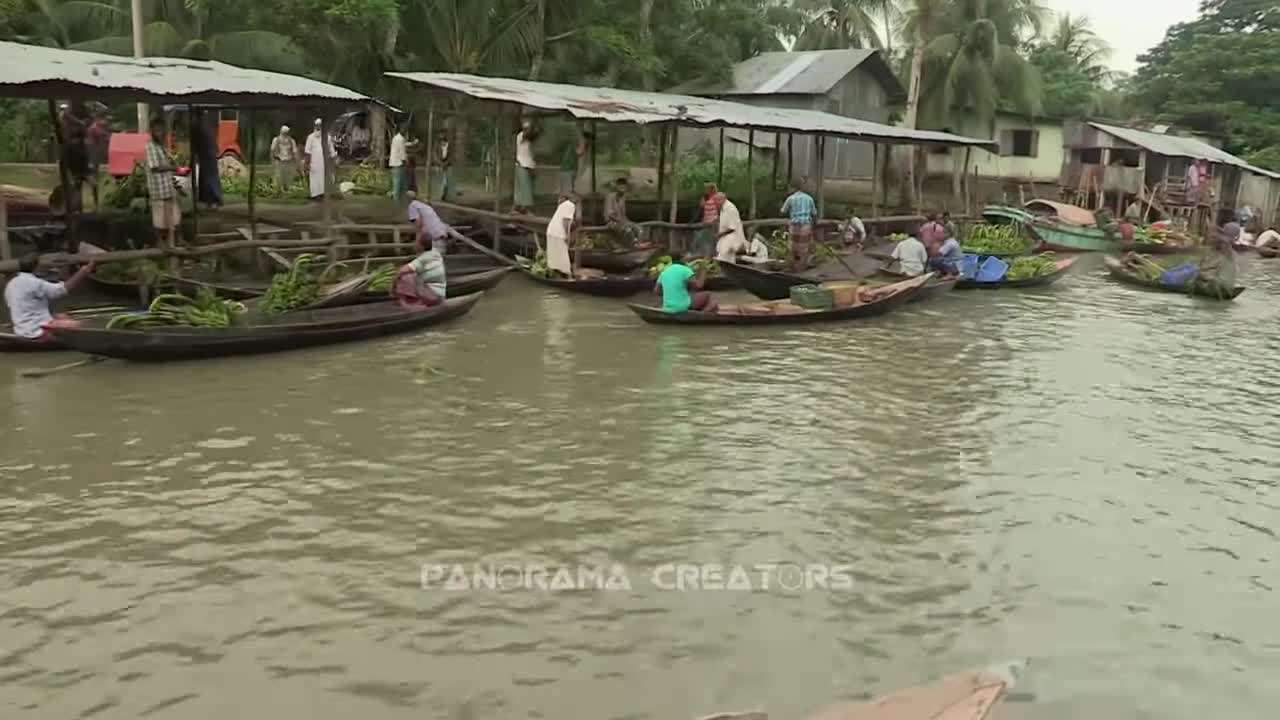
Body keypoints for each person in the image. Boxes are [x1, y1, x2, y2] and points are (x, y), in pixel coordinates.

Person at [4, 253, 97, 340]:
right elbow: (61, 290)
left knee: (62, 316)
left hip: (20, 329)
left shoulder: (11, 284)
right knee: (78, 325)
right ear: (36, 267)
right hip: (36, 331)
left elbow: (17, 306)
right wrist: (82, 272)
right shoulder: (34, 283)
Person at [145, 117, 183, 249]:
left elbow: (166, 164)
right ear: (152, 131)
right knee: (159, 216)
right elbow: (155, 167)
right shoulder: (150, 146)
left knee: (173, 214)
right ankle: (162, 242)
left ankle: (173, 241)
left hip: (166, 186)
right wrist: (173, 167)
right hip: (158, 187)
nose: (160, 133)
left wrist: (174, 167)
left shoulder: (161, 146)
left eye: (161, 130)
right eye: (157, 130)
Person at [391, 235, 447, 309]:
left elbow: (401, 271)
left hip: (432, 295)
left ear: (421, 246)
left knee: (406, 276)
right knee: (416, 275)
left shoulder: (423, 259)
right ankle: (416, 300)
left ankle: (407, 303)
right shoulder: (435, 252)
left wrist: (392, 286)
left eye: (416, 243)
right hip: (440, 295)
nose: (414, 244)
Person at [780, 181, 817, 271]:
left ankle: (794, 267)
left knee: (793, 247)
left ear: (794, 188)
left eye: (790, 187)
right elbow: (814, 213)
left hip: (795, 225)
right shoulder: (809, 198)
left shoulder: (790, 198)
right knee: (804, 247)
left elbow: (783, 211)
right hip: (806, 226)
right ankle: (802, 267)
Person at [406, 191, 454, 255]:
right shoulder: (425, 206)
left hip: (433, 239)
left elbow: (419, 223)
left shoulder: (413, 206)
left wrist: (417, 241)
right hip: (441, 235)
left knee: (428, 259)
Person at [192, 110, 222, 209]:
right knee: (208, 178)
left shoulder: (199, 126)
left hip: (207, 156)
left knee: (209, 178)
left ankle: (214, 200)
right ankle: (211, 201)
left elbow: (195, 144)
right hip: (207, 155)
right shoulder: (206, 124)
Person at [544, 193, 577, 278]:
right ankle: (568, 276)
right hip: (558, 232)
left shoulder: (563, 205)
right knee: (563, 255)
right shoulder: (571, 205)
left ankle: (554, 274)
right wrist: (567, 235)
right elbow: (565, 221)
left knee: (554, 256)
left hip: (551, 231)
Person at [1200, 221, 1240, 290]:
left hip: (1218, 282)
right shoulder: (1230, 252)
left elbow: (1205, 269)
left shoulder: (1227, 251)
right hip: (1221, 282)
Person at [304, 118, 335, 201]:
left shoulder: (327, 137)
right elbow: (307, 152)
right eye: (317, 126)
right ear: (314, 126)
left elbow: (331, 151)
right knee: (315, 180)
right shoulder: (310, 137)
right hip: (314, 163)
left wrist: (332, 162)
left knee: (325, 178)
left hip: (325, 163)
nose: (318, 128)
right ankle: (315, 196)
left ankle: (324, 194)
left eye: (320, 126)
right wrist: (307, 164)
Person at [85, 111, 110, 209]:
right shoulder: (95, 129)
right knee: (93, 177)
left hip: (94, 155)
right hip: (92, 155)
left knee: (94, 177)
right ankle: (95, 202)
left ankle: (96, 202)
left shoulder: (95, 129)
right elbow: (104, 136)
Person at [605, 178, 640, 245]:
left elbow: (623, 214)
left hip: (621, 221)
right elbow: (610, 214)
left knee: (638, 228)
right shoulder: (610, 197)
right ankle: (628, 245)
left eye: (624, 187)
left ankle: (635, 244)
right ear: (617, 187)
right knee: (628, 230)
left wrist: (629, 222)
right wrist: (622, 222)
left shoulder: (623, 197)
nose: (622, 188)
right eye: (620, 187)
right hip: (611, 222)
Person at [713, 193, 746, 262]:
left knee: (723, 257)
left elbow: (732, 227)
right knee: (727, 258)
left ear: (721, 200)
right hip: (726, 238)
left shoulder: (730, 208)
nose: (715, 203)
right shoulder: (723, 208)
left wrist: (720, 234)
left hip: (731, 237)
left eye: (716, 201)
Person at [513, 121, 538, 213]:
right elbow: (527, 134)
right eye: (527, 129)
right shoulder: (520, 136)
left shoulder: (528, 140)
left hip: (527, 164)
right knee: (524, 187)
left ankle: (522, 208)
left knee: (527, 187)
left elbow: (535, 134)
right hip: (522, 164)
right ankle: (522, 208)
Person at [431, 129, 453, 202]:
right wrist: (440, 163)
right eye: (441, 141)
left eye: (443, 140)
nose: (442, 142)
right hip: (439, 164)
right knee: (439, 181)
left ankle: (444, 195)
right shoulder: (437, 145)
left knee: (446, 181)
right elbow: (435, 155)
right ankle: (440, 196)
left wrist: (445, 163)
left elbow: (451, 156)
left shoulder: (449, 146)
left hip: (447, 165)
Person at [389, 128, 408, 200]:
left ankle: (399, 200)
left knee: (399, 184)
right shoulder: (401, 139)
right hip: (399, 164)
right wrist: (405, 162)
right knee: (398, 185)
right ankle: (396, 201)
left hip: (394, 163)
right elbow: (402, 153)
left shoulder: (396, 137)